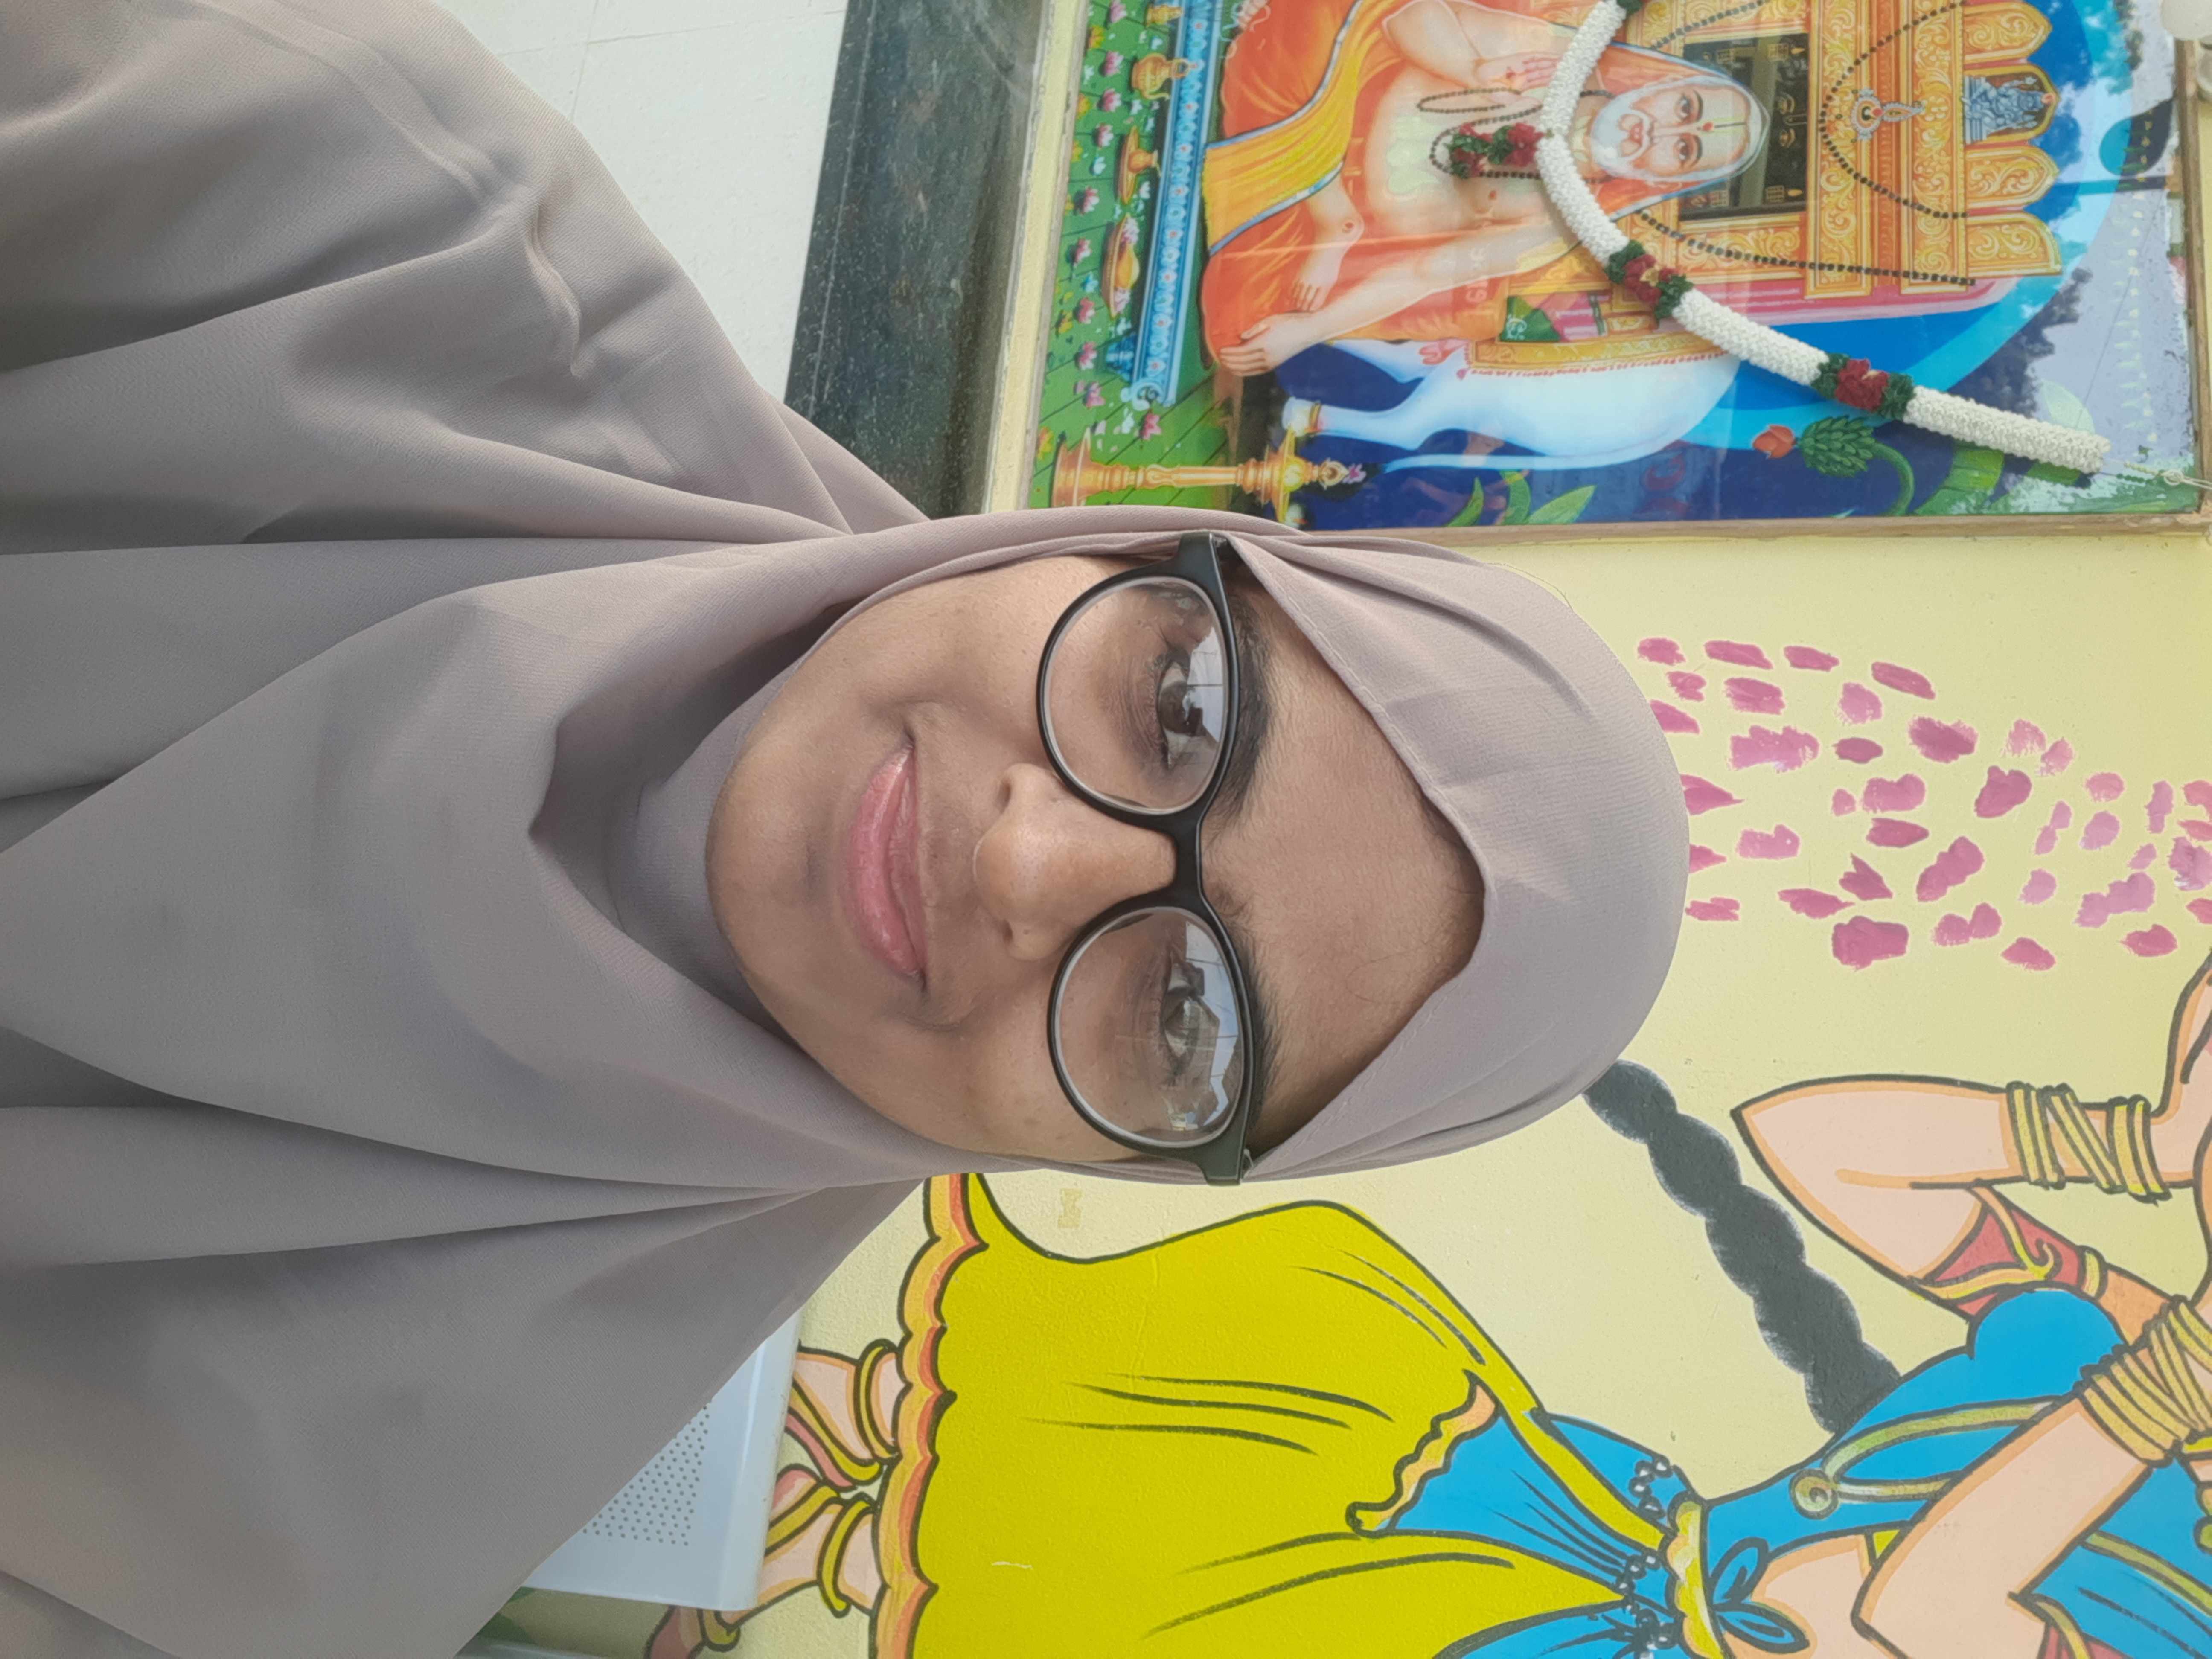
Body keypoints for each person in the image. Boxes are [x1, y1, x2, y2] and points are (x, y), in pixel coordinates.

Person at [0, 2, 1687, 1656]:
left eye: (1183, 1017)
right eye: (1176, 705)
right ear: (1116, 543)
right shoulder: (360, 220)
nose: (1029, 863)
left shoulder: (272, 1540)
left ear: (1122, 1160)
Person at [743, 952, 2212, 1659]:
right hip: (1579, 1515)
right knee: (1291, 1329)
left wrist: (2182, 1379)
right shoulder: (2108, 1317)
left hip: (1590, 1643)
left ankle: (768, 1549)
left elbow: (1914, 1607)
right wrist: (2133, 1143)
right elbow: (1814, 1141)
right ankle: (800, 1424)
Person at [1203, 0, 1770, 374]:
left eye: (1685, 149)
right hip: (1333, 95)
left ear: (1667, 178)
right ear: (1664, 86)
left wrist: (1308, 330)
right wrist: (1471, 70)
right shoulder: (1560, 59)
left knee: (1242, 324)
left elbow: (1425, 273)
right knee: (1311, 20)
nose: (1660, 131)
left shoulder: (1560, 224)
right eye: (1685, 108)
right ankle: (1314, 185)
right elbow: (1407, 15)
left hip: (1312, 228)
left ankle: (1319, 197)